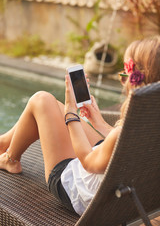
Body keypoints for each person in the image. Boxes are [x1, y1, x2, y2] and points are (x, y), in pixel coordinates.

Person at [0, 35, 160, 215]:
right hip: (118, 190)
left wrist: (71, 113)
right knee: (50, 107)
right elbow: (119, 142)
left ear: (136, 82)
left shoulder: (125, 132)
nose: (122, 81)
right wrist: (97, 121)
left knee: (42, 100)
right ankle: (6, 143)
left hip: (81, 193)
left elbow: (87, 161)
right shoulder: (150, 123)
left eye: (124, 76)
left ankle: (10, 158)